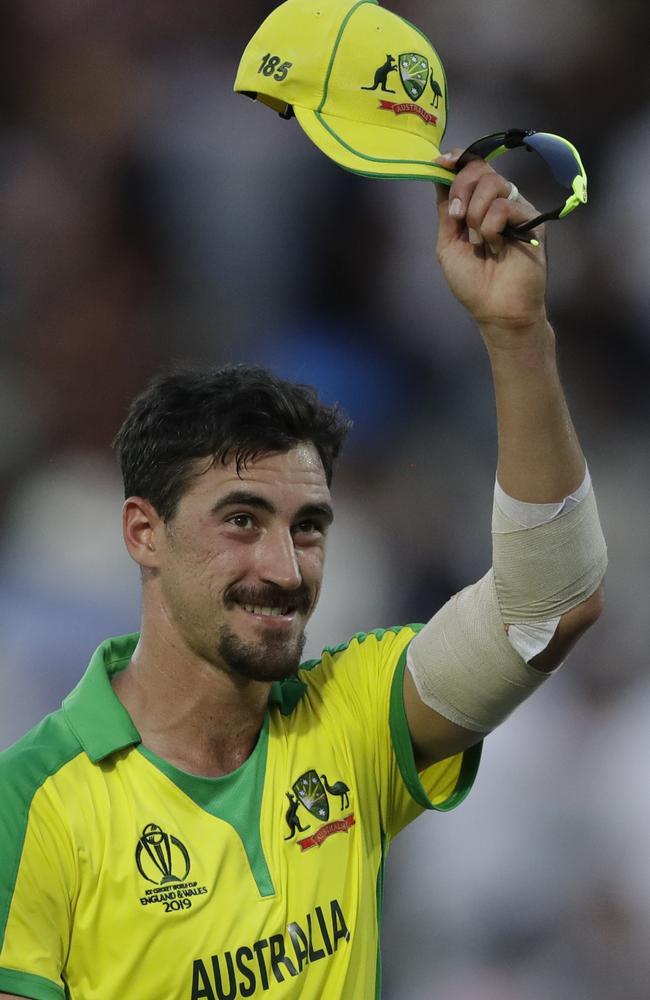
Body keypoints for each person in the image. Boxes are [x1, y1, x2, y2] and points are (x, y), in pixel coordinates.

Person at [0, 153, 607, 1000]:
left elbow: (551, 602)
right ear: (145, 532)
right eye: (242, 521)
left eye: (310, 528)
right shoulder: (32, 806)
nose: (284, 569)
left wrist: (516, 337)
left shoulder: (352, 717)